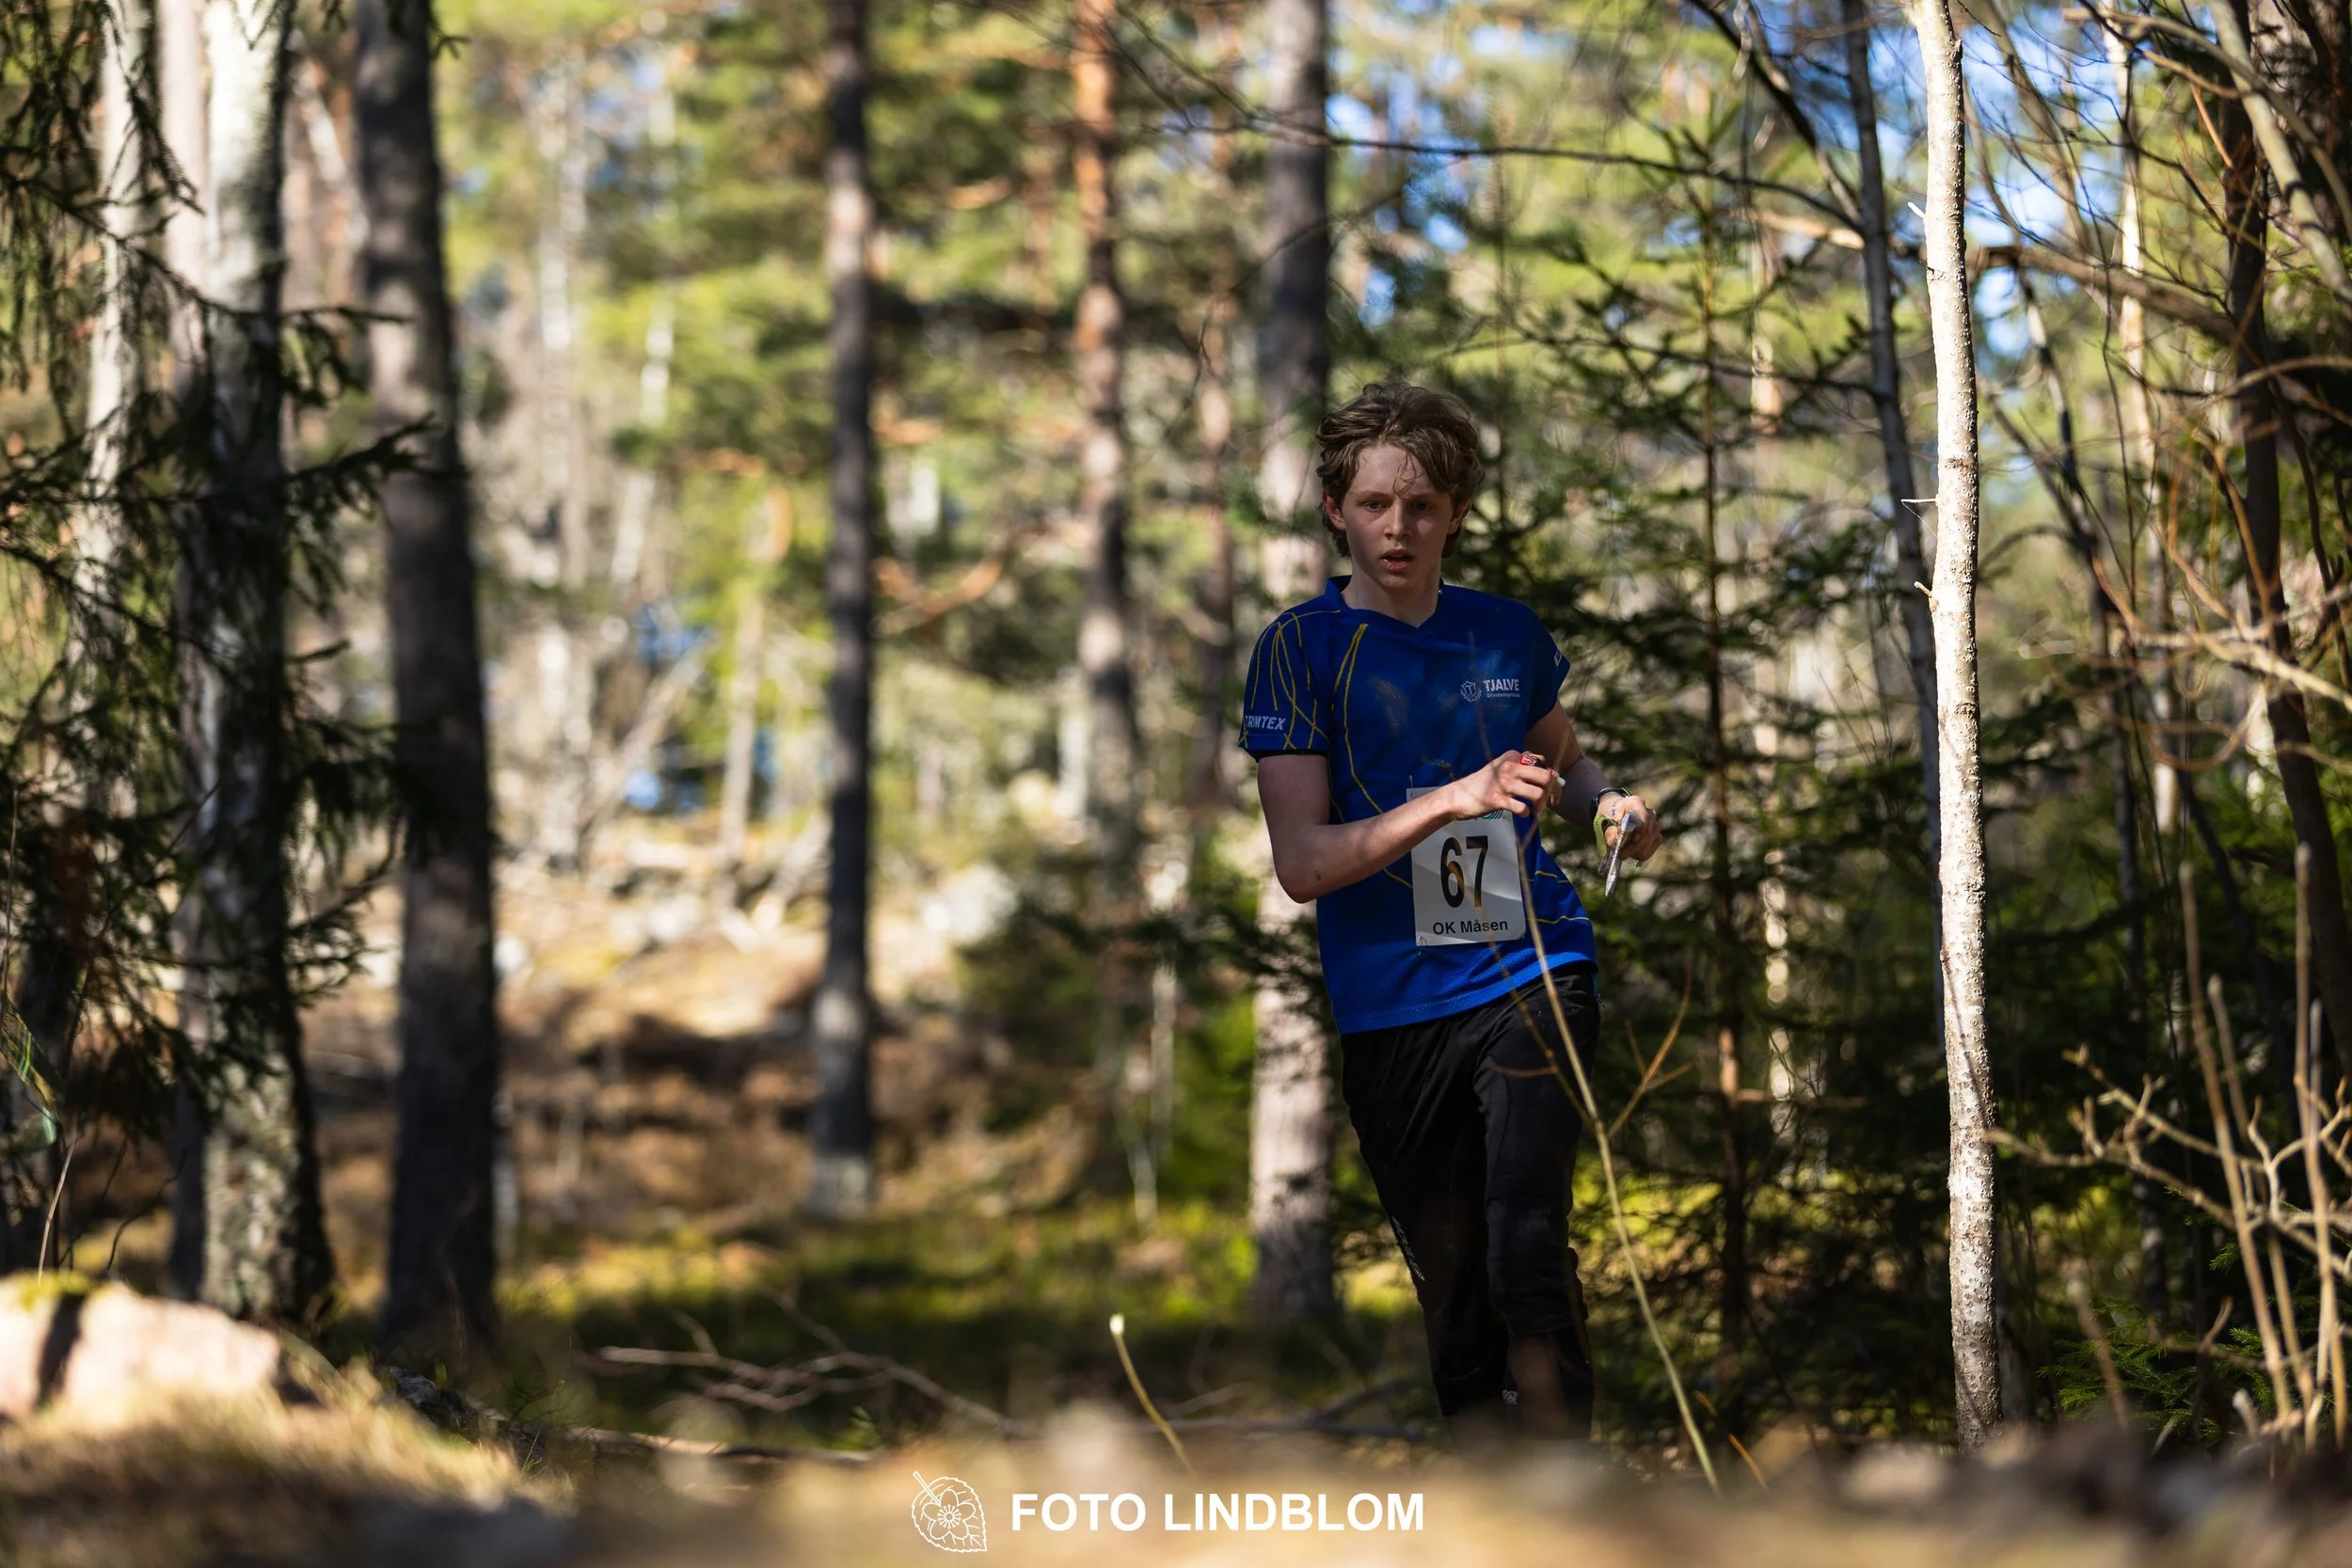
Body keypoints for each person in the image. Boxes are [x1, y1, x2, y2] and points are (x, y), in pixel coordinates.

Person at [1238, 382, 1661, 1441]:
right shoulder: (1300, 647)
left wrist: (1610, 804)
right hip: (1392, 1010)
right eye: (1375, 503)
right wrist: (1454, 800)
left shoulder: (1503, 635)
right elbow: (1302, 863)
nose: (1398, 527)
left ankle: (1568, 1491)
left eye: (1421, 505)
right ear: (1336, 508)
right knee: (1457, 1290)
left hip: (1530, 966)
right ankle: (1487, 1502)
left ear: (1455, 511)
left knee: (1526, 1234)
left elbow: (1562, 762)